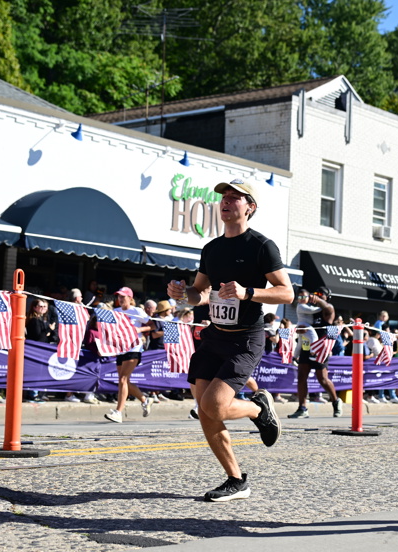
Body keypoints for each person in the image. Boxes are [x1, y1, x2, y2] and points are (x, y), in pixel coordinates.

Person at [167, 178, 292, 502]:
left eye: (235, 197)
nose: (226, 201)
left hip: (245, 339)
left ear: (250, 207)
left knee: (214, 405)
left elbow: (286, 293)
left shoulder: (261, 246)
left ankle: (257, 408)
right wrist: (182, 294)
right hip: (214, 337)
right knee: (205, 411)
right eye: (224, 196)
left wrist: (248, 292)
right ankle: (236, 480)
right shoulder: (212, 249)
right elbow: (200, 293)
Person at [289, 286, 342, 418]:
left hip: (320, 348)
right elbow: (302, 323)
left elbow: (329, 308)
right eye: (315, 294)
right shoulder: (308, 308)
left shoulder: (327, 309)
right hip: (307, 345)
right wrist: (299, 330)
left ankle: (336, 401)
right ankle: (302, 408)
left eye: (320, 294)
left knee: (322, 379)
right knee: (301, 376)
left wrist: (319, 301)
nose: (316, 296)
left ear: (327, 297)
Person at [105, 287, 154, 423]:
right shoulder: (116, 311)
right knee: (124, 381)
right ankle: (145, 400)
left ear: (130, 298)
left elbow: (153, 325)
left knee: (123, 380)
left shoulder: (137, 311)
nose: (120, 299)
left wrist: (139, 329)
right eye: (119, 296)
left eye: (123, 296)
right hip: (120, 349)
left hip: (134, 348)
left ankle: (118, 412)